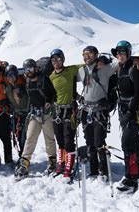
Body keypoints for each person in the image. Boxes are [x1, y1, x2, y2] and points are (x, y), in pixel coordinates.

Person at [77, 45, 119, 180]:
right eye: (84, 55)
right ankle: (94, 170)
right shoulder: (81, 70)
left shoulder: (105, 69)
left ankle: (104, 171)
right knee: (89, 141)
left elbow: (120, 61)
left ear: (96, 55)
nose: (86, 57)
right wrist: (78, 97)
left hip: (100, 110)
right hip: (86, 110)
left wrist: (104, 60)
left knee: (99, 141)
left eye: (89, 54)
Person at [112, 41, 139, 192]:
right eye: (118, 52)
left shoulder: (134, 68)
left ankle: (131, 177)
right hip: (124, 108)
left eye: (123, 52)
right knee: (134, 141)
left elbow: (138, 93)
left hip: (134, 110)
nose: (120, 54)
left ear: (129, 53)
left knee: (127, 142)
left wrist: (129, 112)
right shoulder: (119, 68)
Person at [14, 59, 57, 179]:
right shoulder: (27, 81)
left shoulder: (44, 79)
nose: (28, 72)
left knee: (49, 139)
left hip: (47, 114)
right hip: (34, 114)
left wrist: (49, 101)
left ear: (35, 69)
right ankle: (24, 163)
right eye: (26, 70)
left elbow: (53, 93)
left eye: (30, 69)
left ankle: (52, 162)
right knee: (30, 138)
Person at [48, 48, 83, 180]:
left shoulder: (71, 70)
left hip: (70, 110)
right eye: (53, 60)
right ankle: (61, 164)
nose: (56, 62)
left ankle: (69, 166)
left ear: (63, 59)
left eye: (58, 58)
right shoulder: (51, 77)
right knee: (60, 140)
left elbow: (87, 65)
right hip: (56, 111)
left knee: (69, 140)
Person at [5, 64, 29, 158]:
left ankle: (24, 157)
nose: (11, 78)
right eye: (8, 75)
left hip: (26, 115)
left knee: (23, 138)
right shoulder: (8, 89)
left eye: (13, 75)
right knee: (18, 138)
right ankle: (22, 156)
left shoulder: (24, 84)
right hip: (16, 116)